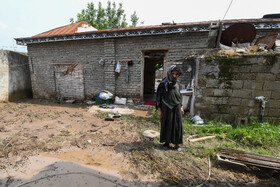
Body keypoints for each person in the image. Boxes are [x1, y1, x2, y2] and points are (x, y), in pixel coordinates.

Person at [155, 65, 184, 152]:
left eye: (176, 74)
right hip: (166, 107)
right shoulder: (163, 84)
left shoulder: (177, 83)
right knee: (167, 124)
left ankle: (176, 144)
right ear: (169, 73)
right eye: (173, 73)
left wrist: (181, 106)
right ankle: (166, 143)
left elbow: (178, 95)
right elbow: (158, 97)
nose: (174, 76)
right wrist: (159, 110)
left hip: (177, 107)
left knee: (177, 125)